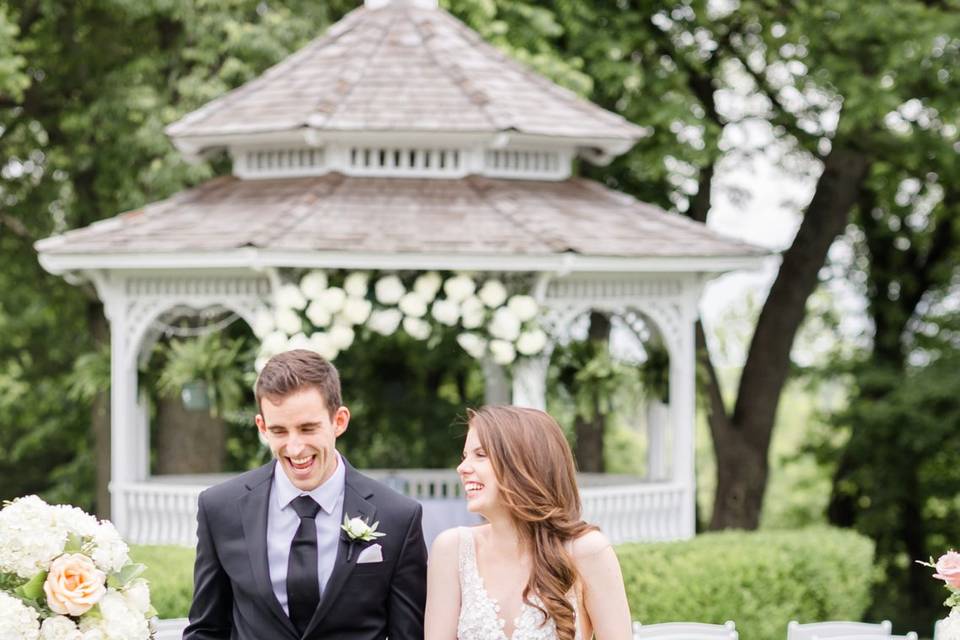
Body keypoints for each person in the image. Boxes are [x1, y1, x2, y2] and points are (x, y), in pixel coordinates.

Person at [183, 349, 427, 640]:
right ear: (262, 427)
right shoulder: (219, 508)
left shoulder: (398, 517)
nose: (295, 448)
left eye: (308, 428)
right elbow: (206, 630)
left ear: (339, 421)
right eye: (280, 431)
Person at [424, 405, 632, 640]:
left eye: (480, 455)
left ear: (524, 463)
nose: (462, 468)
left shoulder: (587, 550)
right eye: (465, 457)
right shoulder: (452, 550)